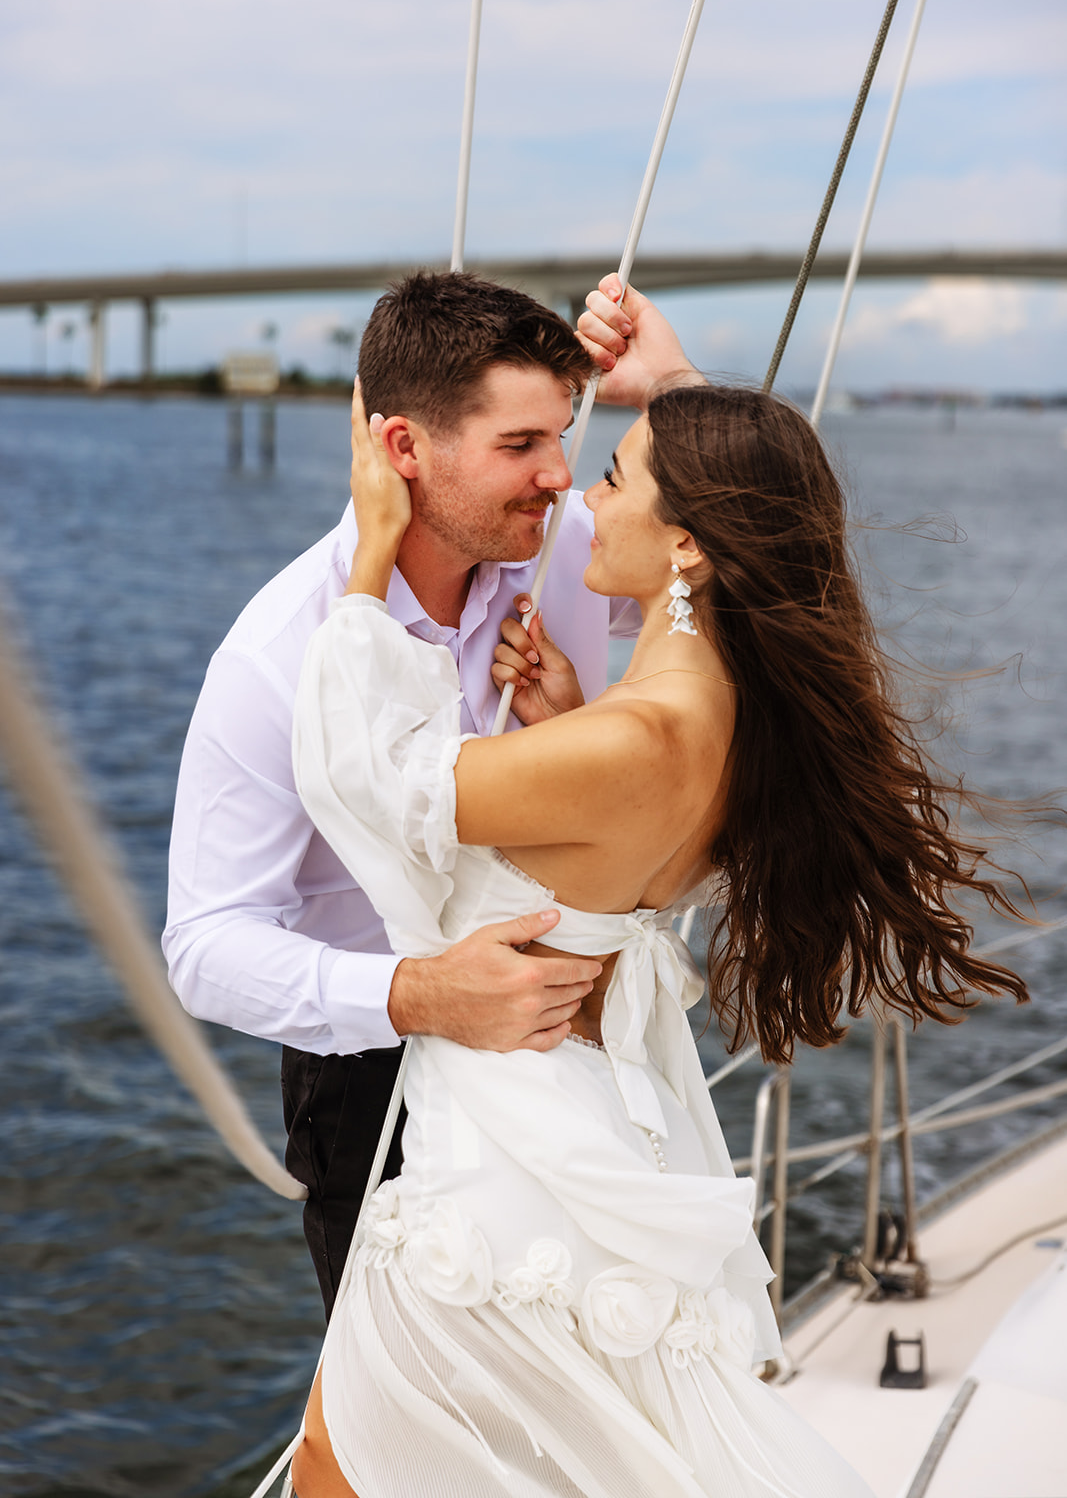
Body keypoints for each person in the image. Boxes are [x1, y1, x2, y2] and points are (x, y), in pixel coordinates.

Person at [284, 278, 1028, 1496]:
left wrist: (368, 559)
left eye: (615, 474)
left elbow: (372, 779)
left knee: (342, 1465)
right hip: (575, 1122)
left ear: (686, 542)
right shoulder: (706, 711)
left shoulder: (639, 742)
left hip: (502, 1171)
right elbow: (748, 484)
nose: (582, 490)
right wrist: (670, 385)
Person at [163, 271, 643, 1313]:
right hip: (371, 1073)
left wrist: (672, 387)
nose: (559, 476)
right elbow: (204, 947)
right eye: (520, 446)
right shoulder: (273, 655)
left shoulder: (559, 564)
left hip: (567, 1052)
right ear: (402, 450)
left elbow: (755, 576)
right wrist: (417, 994)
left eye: (560, 437)